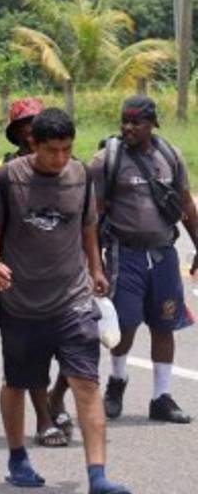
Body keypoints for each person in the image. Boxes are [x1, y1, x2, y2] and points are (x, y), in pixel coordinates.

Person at [0, 108, 130, 494]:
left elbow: (88, 226)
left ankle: (98, 478)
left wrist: (95, 268)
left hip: (72, 301)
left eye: (66, 149)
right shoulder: (9, 179)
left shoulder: (80, 175)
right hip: (22, 303)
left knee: (86, 383)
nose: (59, 159)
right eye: (51, 150)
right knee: (18, 383)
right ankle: (17, 458)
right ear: (33, 144)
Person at [93, 95, 197, 424]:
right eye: (124, 120)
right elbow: (91, 218)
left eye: (136, 122)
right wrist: (92, 264)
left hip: (164, 254)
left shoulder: (170, 156)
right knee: (123, 323)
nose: (128, 127)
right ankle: (117, 381)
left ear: (153, 123)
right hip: (125, 254)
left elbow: (186, 207)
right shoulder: (106, 160)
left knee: (165, 324)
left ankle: (160, 397)